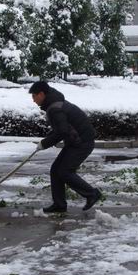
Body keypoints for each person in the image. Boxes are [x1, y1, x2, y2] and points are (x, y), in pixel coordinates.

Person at [29, 81, 101, 213]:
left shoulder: (55, 108)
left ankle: (92, 194)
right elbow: (61, 128)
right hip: (76, 141)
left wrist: (44, 144)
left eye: (34, 96)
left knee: (65, 171)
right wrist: (45, 141)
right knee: (56, 170)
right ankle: (59, 204)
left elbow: (61, 132)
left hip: (82, 142)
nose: (33, 100)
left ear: (41, 94)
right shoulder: (54, 104)